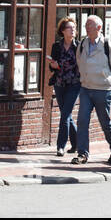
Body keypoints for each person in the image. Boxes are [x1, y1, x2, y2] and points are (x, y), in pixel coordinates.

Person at [71, 15, 111, 166]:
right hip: (86, 88)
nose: (86, 28)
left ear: (99, 28)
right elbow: (79, 61)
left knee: (105, 122)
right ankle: (82, 154)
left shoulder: (107, 45)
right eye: (86, 25)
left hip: (103, 89)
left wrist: (109, 83)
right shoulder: (83, 44)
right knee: (82, 121)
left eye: (90, 25)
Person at [47, 18, 81, 157]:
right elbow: (52, 65)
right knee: (67, 116)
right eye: (69, 27)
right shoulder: (57, 46)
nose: (72, 30)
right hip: (60, 84)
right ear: (62, 30)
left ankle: (60, 146)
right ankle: (77, 144)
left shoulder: (78, 46)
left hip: (74, 84)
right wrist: (53, 65)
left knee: (65, 114)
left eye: (74, 27)